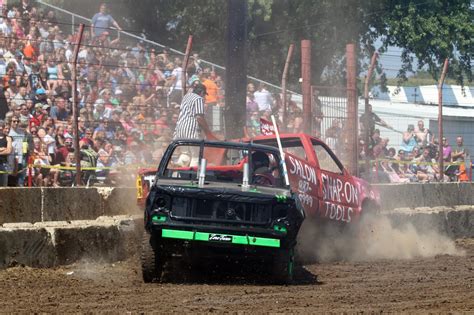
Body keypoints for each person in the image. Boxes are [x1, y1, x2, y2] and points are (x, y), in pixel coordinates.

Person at [0, 120, 13, 186]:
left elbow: (8, 151)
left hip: (4, 163)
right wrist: (2, 149)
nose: (0, 128)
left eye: (2, 126)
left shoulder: (8, 138)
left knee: (3, 185)